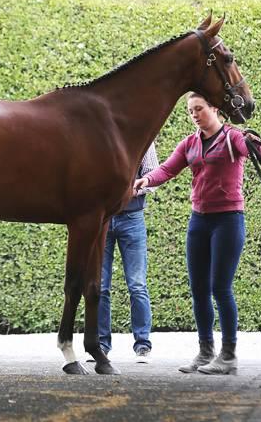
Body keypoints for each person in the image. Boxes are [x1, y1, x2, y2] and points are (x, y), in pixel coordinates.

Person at [133, 92, 261, 375]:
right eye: (191, 110)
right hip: (199, 221)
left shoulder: (231, 138)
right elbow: (167, 168)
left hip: (228, 220)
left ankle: (228, 355)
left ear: (215, 108)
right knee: (199, 289)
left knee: (221, 288)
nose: (194, 114)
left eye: (199, 109)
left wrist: (253, 143)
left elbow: (255, 151)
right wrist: (146, 180)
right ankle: (206, 352)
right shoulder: (190, 143)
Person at [97, 143, 159, 362]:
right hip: (103, 218)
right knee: (101, 285)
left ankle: (143, 344)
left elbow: (153, 176)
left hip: (132, 217)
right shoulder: (101, 138)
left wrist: (132, 189)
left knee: (137, 284)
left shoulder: (143, 140)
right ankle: (101, 345)